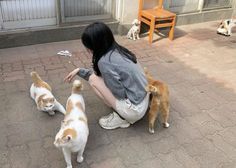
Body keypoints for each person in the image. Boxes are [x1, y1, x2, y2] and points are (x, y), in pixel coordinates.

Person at [64, 22, 149, 130]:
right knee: (99, 78)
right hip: (144, 99)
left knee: (94, 80)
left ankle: (122, 118)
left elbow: (120, 94)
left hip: (135, 110)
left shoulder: (104, 61)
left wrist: (106, 83)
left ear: (94, 45)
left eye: (88, 45)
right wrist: (79, 70)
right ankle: (121, 111)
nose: (87, 48)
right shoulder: (116, 49)